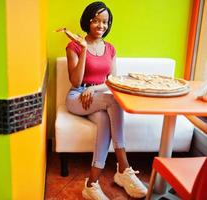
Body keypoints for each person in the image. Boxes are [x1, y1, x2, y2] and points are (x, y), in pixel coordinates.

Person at [64, 1, 147, 199]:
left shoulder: (110, 49)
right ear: (88, 21)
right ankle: (124, 168)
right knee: (115, 101)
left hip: (96, 97)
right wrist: (84, 49)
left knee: (104, 119)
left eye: (105, 22)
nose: (101, 25)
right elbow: (75, 82)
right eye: (96, 21)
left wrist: (94, 89)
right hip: (77, 97)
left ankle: (91, 184)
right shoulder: (73, 46)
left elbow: (113, 81)